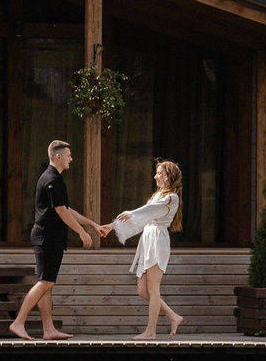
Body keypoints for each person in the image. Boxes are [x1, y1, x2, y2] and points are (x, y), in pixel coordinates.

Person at [10, 139, 99, 340]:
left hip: (52, 238)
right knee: (45, 282)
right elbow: (60, 211)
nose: (71, 159)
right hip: (46, 238)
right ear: (58, 157)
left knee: (47, 283)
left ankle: (48, 329)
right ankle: (18, 322)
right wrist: (81, 233)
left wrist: (92, 225)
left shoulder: (56, 179)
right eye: (68, 155)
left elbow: (67, 209)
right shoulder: (50, 179)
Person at [112, 160, 187, 339]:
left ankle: (150, 331)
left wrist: (131, 213)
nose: (156, 177)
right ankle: (173, 316)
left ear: (169, 176)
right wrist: (112, 226)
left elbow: (147, 211)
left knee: (153, 288)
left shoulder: (172, 198)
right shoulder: (157, 195)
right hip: (148, 239)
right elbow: (142, 219)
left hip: (157, 241)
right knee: (142, 290)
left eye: (159, 173)